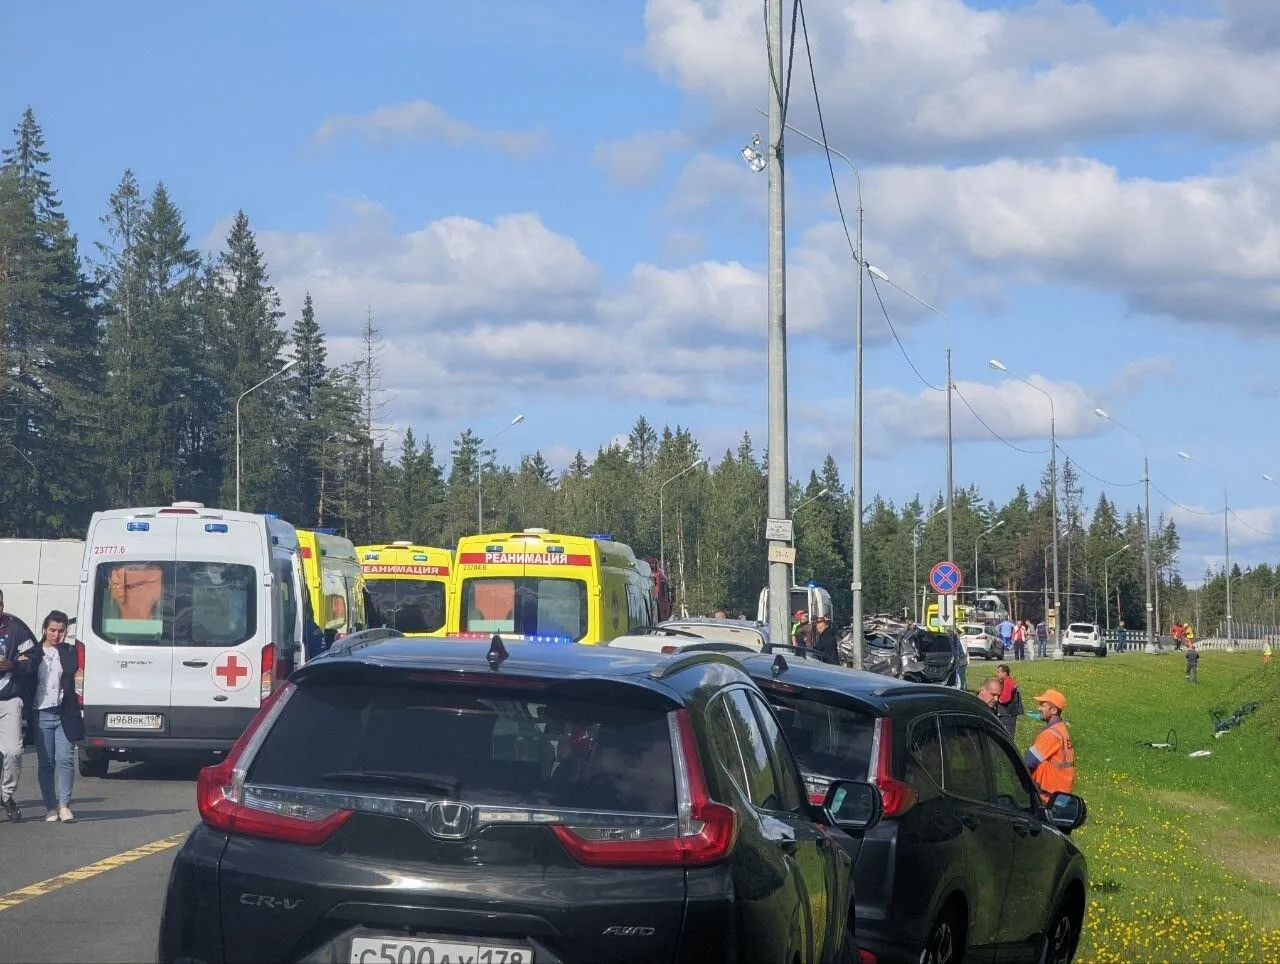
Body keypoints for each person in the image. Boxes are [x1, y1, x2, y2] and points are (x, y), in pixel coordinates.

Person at [27, 611, 84, 822]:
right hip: (40, 712)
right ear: (44, 630)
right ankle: (50, 806)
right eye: (52, 630)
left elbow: (76, 670)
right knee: (46, 763)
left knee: (65, 759)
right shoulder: (34, 652)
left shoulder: (69, 651)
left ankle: (64, 805)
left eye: (61, 631)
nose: (56, 635)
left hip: (64, 713)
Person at [0, 588, 37, 822]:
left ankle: (6, 795)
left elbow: (34, 658)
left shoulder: (15, 630)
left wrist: (12, 664)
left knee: (13, 751)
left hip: (9, 700)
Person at [1024, 689, 1076, 803]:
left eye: (1043, 706)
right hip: (1061, 793)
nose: (1039, 708)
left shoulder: (1050, 735)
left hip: (1048, 795)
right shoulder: (1061, 729)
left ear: (1053, 710)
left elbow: (1028, 762)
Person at [995, 663, 1023, 739]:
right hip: (1008, 713)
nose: (997, 674)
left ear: (1005, 673)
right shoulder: (1007, 680)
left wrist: (997, 697)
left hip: (1007, 714)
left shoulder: (1007, 682)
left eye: (999, 672)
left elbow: (1004, 699)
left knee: (1006, 735)